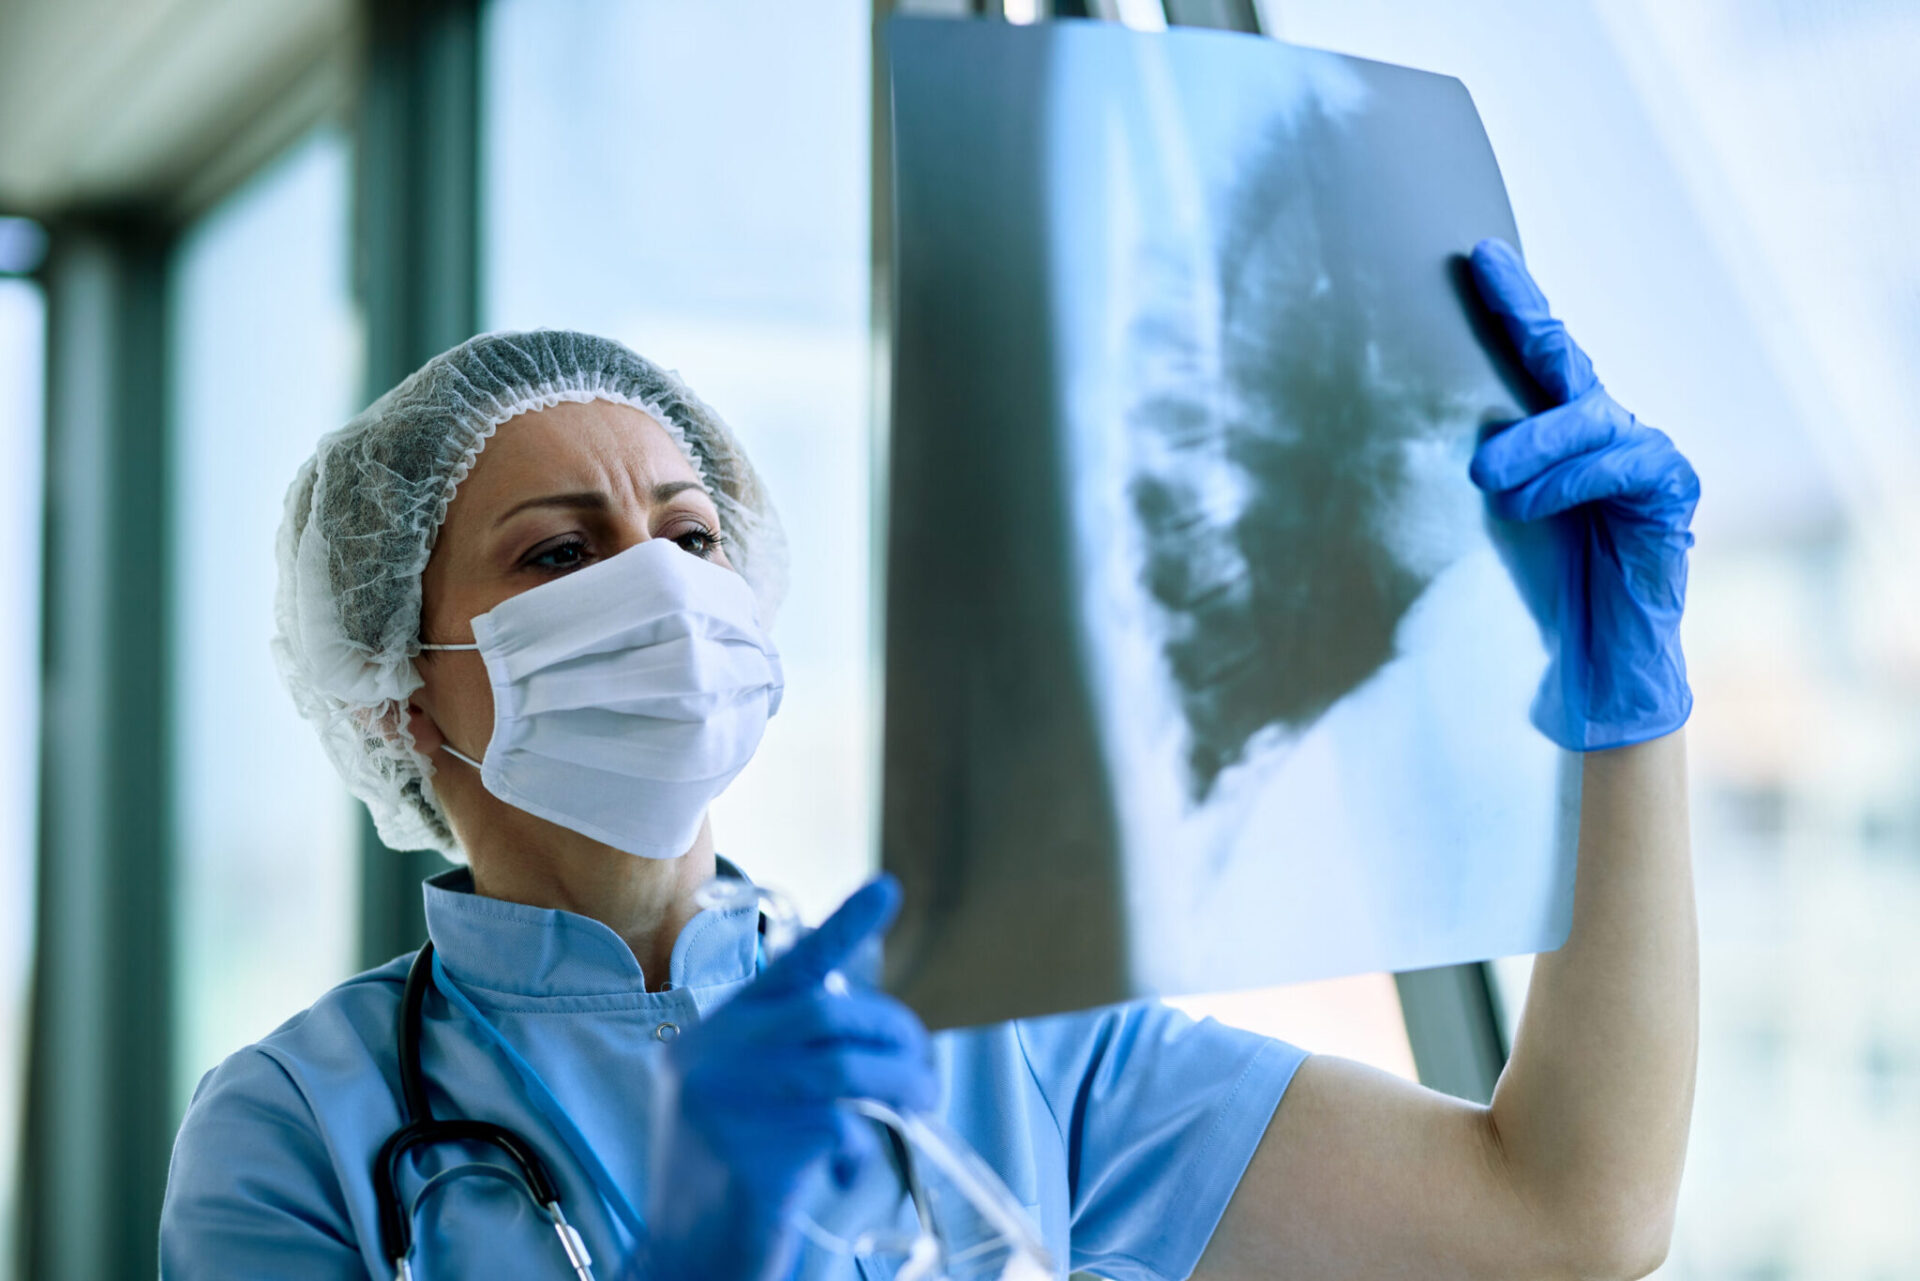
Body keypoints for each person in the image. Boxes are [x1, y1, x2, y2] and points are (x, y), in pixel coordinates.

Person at [160, 240, 1699, 1280]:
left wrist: (1624, 720)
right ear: (399, 697)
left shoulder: (978, 1033)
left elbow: (1562, 1209)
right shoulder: (299, 1125)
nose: (660, 588)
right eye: (561, 554)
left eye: (692, 536)